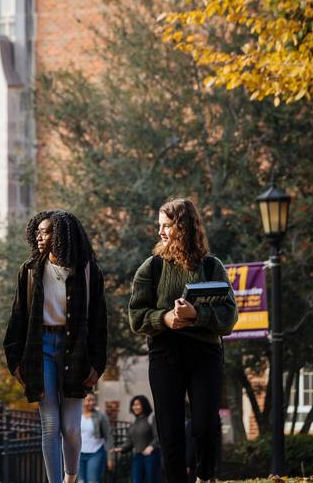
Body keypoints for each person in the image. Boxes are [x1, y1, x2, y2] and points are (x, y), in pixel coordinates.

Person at [129, 198, 238, 483]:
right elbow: (136, 316)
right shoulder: (150, 268)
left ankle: (205, 476)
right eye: (159, 226)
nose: (161, 232)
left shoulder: (212, 266)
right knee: (170, 430)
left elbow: (229, 317)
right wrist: (164, 319)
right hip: (166, 353)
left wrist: (196, 314)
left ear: (184, 226)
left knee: (205, 425)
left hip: (206, 353)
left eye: (167, 225)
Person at [4, 210, 108, 483]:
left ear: (62, 236)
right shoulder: (29, 271)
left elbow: (99, 321)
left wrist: (98, 364)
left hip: (76, 350)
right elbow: (17, 318)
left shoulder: (88, 272)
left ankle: (70, 478)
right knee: (50, 425)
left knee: (71, 428)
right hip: (41, 349)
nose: (40, 237)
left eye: (47, 232)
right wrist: (15, 361)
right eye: (37, 232)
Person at [113, 395, 162, 483]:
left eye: (138, 405)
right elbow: (130, 441)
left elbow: (158, 436)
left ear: (144, 405)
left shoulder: (151, 418)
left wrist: (151, 447)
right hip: (138, 456)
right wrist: (121, 448)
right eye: (133, 405)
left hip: (151, 456)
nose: (135, 407)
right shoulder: (134, 421)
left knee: (151, 480)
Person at [78, 392, 115, 483]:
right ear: (82, 401)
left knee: (93, 480)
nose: (91, 403)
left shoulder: (101, 416)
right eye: (88, 400)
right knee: (80, 481)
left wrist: (111, 457)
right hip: (78, 454)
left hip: (96, 453)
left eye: (93, 400)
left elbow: (108, 435)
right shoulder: (77, 415)